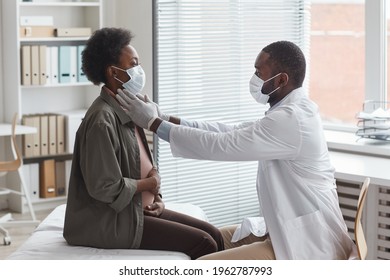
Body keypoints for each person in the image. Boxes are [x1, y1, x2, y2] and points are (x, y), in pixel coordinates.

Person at [116, 40, 357, 260]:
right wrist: (164, 117)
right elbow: (227, 131)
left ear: (281, 80)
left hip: (306, 244)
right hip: (284, 228)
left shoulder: (291, 119)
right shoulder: (288, 112)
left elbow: (224, 145)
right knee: (209, 240)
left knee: (200, 264)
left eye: (258, 71)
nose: (254, 77)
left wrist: (153, 124)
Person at [63, 27, 224, 259]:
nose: (140, 70)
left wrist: (157, 198)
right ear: (113, 72)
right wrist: (149, 184)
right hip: (114, 221)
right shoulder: (102, 119)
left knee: (214, 235)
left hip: (139, 210)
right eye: (134, 64)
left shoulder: (132, 109)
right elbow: (105, 187)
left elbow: (144, 163)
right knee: (205, 243)